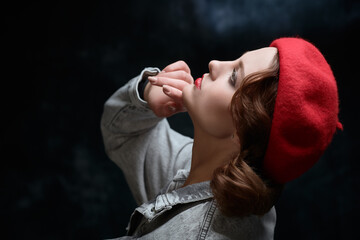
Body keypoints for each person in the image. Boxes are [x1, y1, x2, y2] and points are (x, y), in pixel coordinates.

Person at [100, 37, 342, 239]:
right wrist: (146, 92)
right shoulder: (202, 169)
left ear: (243, 131)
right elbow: (124, 136)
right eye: (236, 60)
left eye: (233, 77)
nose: (215, 64)